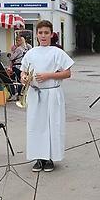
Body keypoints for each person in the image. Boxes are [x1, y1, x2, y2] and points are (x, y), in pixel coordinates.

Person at [21, 20, 74, 172]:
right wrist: (24, 77)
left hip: (52, 94)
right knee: (35, 126)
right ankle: (38, 157)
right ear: (36, 35)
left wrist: (48, 75)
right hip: (35, 94)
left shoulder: (57, 52)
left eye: (46, 33)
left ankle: (49, 157)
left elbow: (67, 72)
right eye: (40, 33)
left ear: (51, 34)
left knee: (52, 125)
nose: (43, 36)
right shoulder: (31, 53)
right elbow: (23, 71)